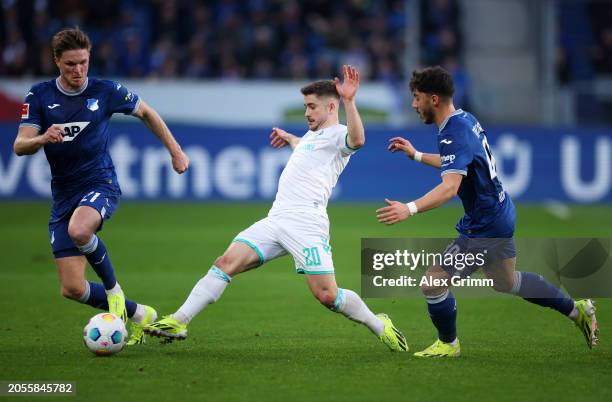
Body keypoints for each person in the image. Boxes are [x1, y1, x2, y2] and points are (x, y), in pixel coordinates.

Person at [145, 65, 408, 352]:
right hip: (276, 218)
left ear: (331, 106)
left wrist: (350, 101)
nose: (307, 112)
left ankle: (379, 324)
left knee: (327, 296)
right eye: (305, 106)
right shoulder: (310, 137)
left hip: (307, 222)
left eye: (311, 106)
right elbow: (306, 150)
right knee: (225, 263)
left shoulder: (339, 135)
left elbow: (357, 141)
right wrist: (291, 140)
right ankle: (179, 321)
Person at [376, 66, 598, 357]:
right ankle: (575, 309)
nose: (413, 104)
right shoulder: (464, 118)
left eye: (417, 98)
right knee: (507, 282)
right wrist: (416, 154)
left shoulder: (453, 132)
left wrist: (410, 208)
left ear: (433, 99)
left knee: (432, 283)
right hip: (500, 211)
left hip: (484, 224)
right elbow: (456, 163)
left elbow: (449, 188)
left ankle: (448, 344)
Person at [13, 27, 189, 345]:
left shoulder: (104, 90)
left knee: (80, 231)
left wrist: (175, 151)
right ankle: (140, 315)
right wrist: (42, 138)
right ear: (56, 62)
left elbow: (146, 112)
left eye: (83, 62)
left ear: (89, 57)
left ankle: (114, 292)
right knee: (73, 288)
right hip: (63, 193)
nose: (78, 70)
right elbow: (20, 145)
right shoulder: (39, 96)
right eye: (70, 64)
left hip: (100, 182)